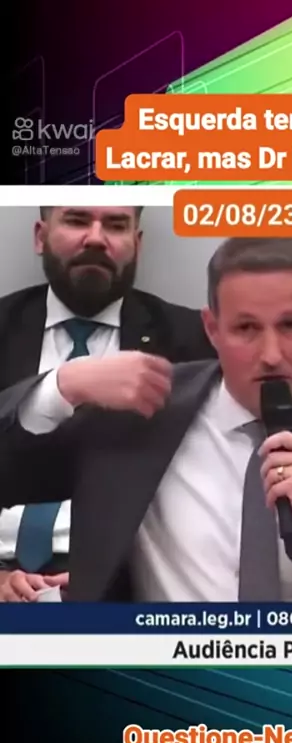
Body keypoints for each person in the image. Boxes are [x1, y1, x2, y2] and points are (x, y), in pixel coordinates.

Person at [0, 235, 292, 603]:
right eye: (246, 328)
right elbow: (11, 474)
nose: (271, 354)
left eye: (290, 325)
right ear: (212, 328)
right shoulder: (140, 412)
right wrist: (62, 386)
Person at [0, 205, 215, 601]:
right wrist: (61, 387)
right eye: (77, 220)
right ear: (40, 236)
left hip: (118, 589)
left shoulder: (193, 344)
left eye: (115, 225)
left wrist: (103, 579)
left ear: (137, 244)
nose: (96, 238)